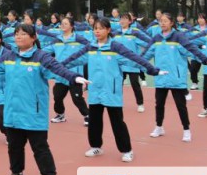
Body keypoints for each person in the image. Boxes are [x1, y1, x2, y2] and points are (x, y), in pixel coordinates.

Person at [0, 24, 87, 175]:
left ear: (33, 38)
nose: (19, 37)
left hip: (33, 112)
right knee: (14, 146)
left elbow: (58, 69)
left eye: (24, 34)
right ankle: (17, 173)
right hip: (13, 110)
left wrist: (74, 77)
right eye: (17, 34)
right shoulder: (9, 56)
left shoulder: (41, 57)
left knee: (39, 147)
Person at [60, 18, 162, 163]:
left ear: (108, 30)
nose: (97, 31)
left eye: (101, 28)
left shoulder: (116, 47)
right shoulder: (90, 47)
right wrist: (57, 67)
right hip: (95, 90)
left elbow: (134, 59)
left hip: (111, 90)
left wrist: (151, 69)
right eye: (95, 28)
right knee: (95, 121)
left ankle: (127, 150)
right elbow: (73, 59)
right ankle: (96, 146)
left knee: (117, 122)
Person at [142, 13, 207, 143]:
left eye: (166, 21)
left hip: (176, 79)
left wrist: (205, 60)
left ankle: (186, 130)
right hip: (161, 78)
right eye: (161, 21)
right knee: (159, 104)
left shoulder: (178, 37)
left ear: (172, 23)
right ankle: (159, 127)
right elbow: (145, 55)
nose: (163, 23)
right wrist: (141, 65)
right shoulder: (156, 38)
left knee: (181, 106)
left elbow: (191, 50)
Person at [42, 16, 91, 125]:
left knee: (77, 98)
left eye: (65, 24)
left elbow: (90, 49)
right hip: (60, 75)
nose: (62, 26)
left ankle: (88, 115)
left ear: (72, 26)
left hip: (75, 75)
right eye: (61, 24)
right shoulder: (57, 40)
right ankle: (60, 115)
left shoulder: (79, 39)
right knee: (57, 96)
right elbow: (45, 52)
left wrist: (81, 62)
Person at [112, 12, 153, 114]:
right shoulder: (115, 33)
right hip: (118, 64)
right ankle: (118, 102)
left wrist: (142, 56)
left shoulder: (135, 32)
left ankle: (140, 103)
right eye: (121, 19)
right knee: (117, 84)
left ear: (130, 21)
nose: (123, 21)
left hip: (132, 64)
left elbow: (148, 42)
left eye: (125, 19)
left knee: (135, 84)